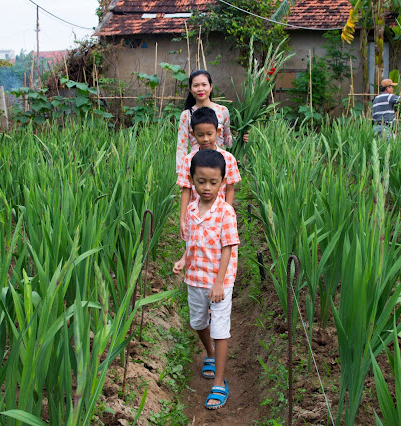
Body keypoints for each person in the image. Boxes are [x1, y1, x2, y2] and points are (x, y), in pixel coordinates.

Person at [173, 148, 240, 410]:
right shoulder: (191, 210)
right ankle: (209, 354)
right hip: (195, 276)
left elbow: (228, 247)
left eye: (213, 182)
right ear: (192, 180)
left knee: (220, 328)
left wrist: (219, 282)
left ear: (223, 182)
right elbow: (191, 242)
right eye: (201, 182)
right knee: (198, 321)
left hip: (219, 281)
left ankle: (219, 384)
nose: (207, 188)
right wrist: (183, 259)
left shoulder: (226, 213)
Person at [177, 107, 241, 239]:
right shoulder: (188, 160)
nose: (205, 139)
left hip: (219, 215)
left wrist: (227, 214)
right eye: (200, 135)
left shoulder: (228, 159)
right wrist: (183, 220)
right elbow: (186, 190)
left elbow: (229, 189)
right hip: (196, 216)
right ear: (193, 134)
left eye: (209, 134)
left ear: (218, 132)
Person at [176, 70, 233, 171]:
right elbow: (181, 147)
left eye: (204, 84)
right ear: (190, 89)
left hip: (220, 164)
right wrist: (181, 173)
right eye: (196, 85)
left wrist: (242, 139)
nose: (200, 89)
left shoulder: (223, 111)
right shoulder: (186, 115)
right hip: (197, 165)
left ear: (210, 87)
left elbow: (227, 140)